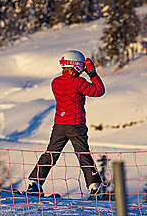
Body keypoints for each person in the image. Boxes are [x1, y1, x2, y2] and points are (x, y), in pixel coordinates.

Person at [26, 50, 105, 198]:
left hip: (59, 125)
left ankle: (34, 183)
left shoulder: (55, 82)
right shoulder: (79, 82)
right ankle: (94, 187)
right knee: (83, 155)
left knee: (51, 153)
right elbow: (99, 90)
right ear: (77, 66)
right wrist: (92, 73)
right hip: (76, 125)